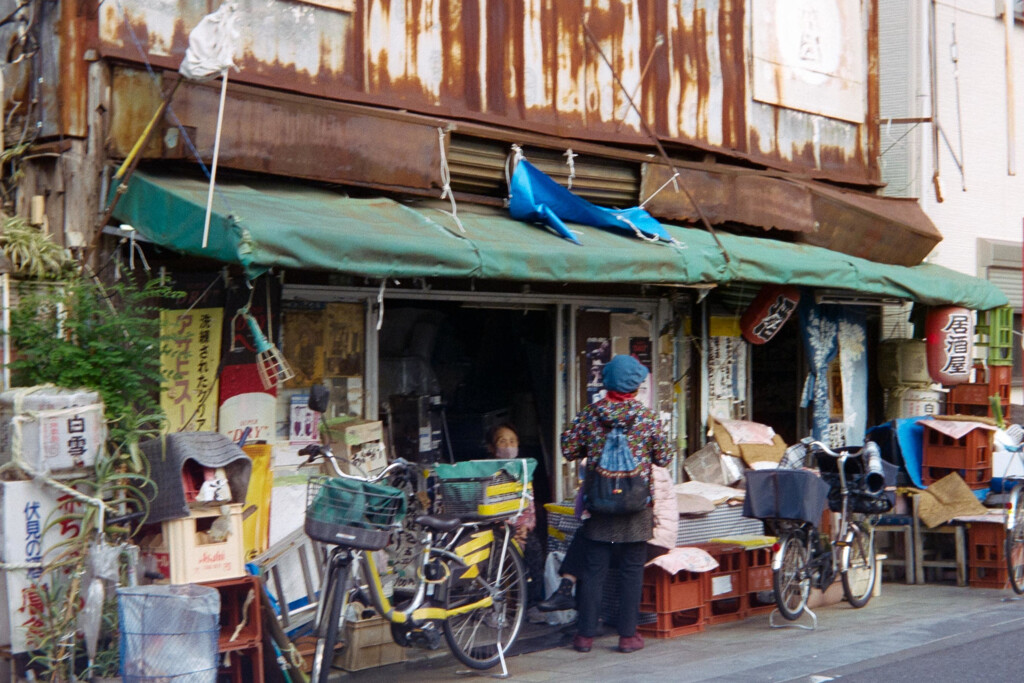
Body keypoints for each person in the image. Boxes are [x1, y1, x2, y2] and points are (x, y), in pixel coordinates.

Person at [558, 354, 672, 654]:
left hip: (600, 506)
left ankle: (584, 637)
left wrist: (590, 445)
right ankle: (627, 636)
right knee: (631, 572)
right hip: (636, 508)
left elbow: (568, 449)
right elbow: (663, 457)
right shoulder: (647, 418)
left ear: (606, 381)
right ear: (636, 386)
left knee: (593, 570)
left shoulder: (590, 415)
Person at [485, 422, 545, 608]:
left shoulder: (524, 471)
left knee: (535, 551)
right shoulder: (487, 472)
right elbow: (488, 505)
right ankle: (495, 606)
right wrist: (505, 527)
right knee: (496, 560)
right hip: (498, 530)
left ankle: (533, 604)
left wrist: (525, 527)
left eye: (513, 441)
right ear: (493, 448)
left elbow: (529, 505)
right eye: (503, 441)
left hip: (521, 529)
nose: (509, 446)